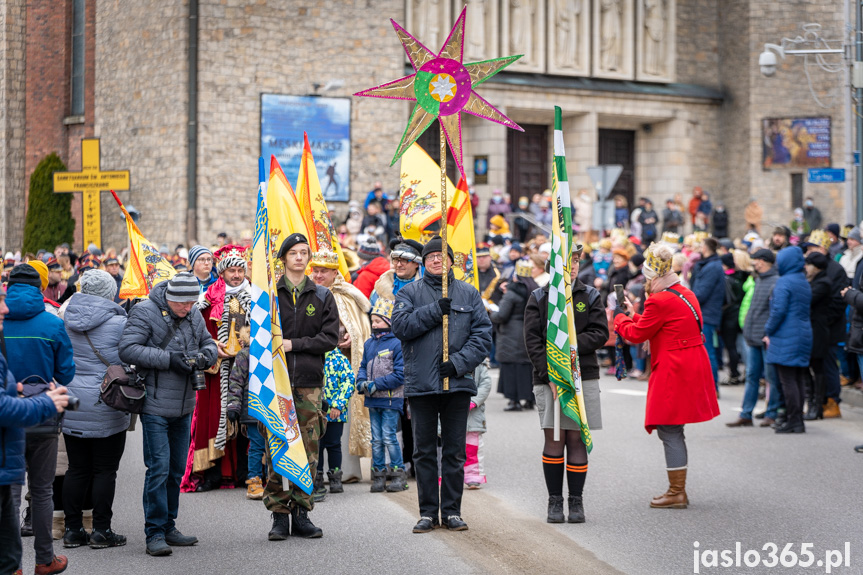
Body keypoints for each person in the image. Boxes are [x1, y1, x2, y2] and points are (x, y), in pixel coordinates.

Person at [391, 235, 492, 533]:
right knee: (423, 451)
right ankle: (426, 512)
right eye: (431, 256)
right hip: (421, 385)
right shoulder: (409, 292)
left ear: (450, 261)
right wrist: (436, 310)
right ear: (423, 263)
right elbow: (402, 327)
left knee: (453, 451)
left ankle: (451, 512)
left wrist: (459, 364)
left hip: (457, 384)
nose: (436, 260)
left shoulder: (469, 294)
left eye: (442, 256)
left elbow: (483, 336)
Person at [118, 272, 218, 556]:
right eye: (183, 304)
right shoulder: (144, 311)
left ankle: (169, 524)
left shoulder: (193, 313)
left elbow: (209, 343)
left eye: (192, 303)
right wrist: (168, 360)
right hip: (154, 404)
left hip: (185, 403)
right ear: (170, 297)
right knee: (159, 468)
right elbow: (127, 349)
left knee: (176, 469)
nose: (188, 309)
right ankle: (154, 532)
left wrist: (204, 357)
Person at [613, 243, 720, 508]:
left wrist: (619, 320)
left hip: (675, 366)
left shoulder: (659, 300)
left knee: (669, 428)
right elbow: (659, 323)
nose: (647, 283)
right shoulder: (684, 292)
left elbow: (637, 334)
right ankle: (676, 490)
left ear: (655, 275)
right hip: (690, 361)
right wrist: (635, 315)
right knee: (673, 427)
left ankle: (677, 492)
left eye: (649, 278)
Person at [524, 243, 608, 523]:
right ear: (552, 264)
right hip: (549, 379)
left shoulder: (590, 294)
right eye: (565, 260)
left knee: (576, 438)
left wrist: (568, 347)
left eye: (575, 260)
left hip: (583, 375)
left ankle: (576, 501)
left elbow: (599, 333)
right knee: (555, 438)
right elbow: (532, 341)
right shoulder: (539, 296)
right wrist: (550, 373)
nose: (571, 265)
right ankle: (554, 501)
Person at [264, 233, 339, 541]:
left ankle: (302, 513)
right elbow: (254, 335)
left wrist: (294, 344)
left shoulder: (322, 295)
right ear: (283, 259)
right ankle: (279, 515)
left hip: (309, 383)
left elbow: (329, 338)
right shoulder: (269, 295)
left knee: (308, 448)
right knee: (278, 447)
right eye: (293, 252)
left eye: (304, 253)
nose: (299, 257)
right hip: (276, 383)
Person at [4, 265, 76, 574]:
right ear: (40, 287)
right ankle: (45, 559)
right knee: (43, 490)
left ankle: (11, 564)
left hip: (7, 417)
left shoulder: (2, 322)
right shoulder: (51, 322)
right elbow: (67, 373)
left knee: (9, 493)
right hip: (44, 411)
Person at [59, 269, 129, 550]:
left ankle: (72, 530)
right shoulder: (119, 322)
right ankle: (101, 530)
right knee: (104, 470)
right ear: (109, 293)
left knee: (76, 469)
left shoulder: (64, 318)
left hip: (73, 400)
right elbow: (128, 358)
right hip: (107, 400)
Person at [183, 245, 250, 493]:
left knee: (246, 418)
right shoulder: (208, 298)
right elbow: (196, 333)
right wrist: (212, 345)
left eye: (240, 270)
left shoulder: (254, 297)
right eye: (231, 270)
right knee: (214, 421)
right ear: (222, 272)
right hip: (217, 369)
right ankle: (212, 474)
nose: (236, 274)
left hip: (247, 369)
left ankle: (245, 472)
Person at [309, 250, 372, 485]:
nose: (317, 274)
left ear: (335, 272)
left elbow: (359, 328)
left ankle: (342, 471)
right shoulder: (308, 293)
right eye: (315, 270)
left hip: (339, 367)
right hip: (314, 364)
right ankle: (314, 471)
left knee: (336, 426)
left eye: (323, 270)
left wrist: (352, 340)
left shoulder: (347, 296)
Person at [727, 249, 782, 427]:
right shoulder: (758, 279)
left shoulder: (775, 281)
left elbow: (774, 311)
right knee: (752, 375)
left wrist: (767, 332)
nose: (754, 263)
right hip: (753, 336)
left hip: (766, 338)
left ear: (764, 261)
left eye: (757, 260)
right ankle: (746, 413)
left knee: (771, 377)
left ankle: (771, 412)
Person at [356, 299, 406, 493]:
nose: (374, 324)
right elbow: (363, 366)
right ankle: (378, 475)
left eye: (378, 321)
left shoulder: (397, 344)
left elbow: (400, 375)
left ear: (389, 321)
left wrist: (376, 384)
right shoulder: (369, 343)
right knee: (375, 438)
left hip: (391, 399)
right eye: (373, 321)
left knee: (389, 436)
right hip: (372, 398)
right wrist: (361, 382)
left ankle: (397, 473)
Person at [763, 247, 812, 434]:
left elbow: (778, 311)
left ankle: (793, 420)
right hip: (803, 333)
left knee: (788, 380)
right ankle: (797, 419)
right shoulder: (802, 280)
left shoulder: (784, 282)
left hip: (786, 335)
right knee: (798, 378)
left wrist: (768, 329)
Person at [490, 260, 536, 411]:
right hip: (528, 331)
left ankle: (514, 401)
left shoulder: (511, 293)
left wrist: (491, 313)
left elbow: (501, 315)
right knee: (526, 367)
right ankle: (529, 400)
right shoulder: (534, 289)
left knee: (510, 367)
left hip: (511, 333)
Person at [226, 326, 265, 500]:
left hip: (271, 405)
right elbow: (236, 381)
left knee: (273, 445)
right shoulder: (244, 354)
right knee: (256, 445)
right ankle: (254, 481)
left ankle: (273, 481)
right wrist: (233, 406)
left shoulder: (273, 353)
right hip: (252, 407)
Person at [314, 346, 355, 500]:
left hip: (335, 412)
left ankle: (335, 477)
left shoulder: (340, 359)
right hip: (316, 410)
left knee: (333, 444)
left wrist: (338, 404)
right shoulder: (314, 357)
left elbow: (349, 381)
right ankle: (316, 478)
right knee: (317, 444)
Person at [803, 252, 836, 421]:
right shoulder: (814, 281)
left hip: (818, 330)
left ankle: (817, 406)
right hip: (812, 328)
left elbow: (808, 299)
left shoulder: (823, 283)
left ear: (816, 267)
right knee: (808, 367)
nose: (806, 268)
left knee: (817, 367)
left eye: (808, 264)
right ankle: (811, 404)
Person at [691, 237, 723, 391]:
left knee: (707, 352)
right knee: (704, 352)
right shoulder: (708, 265)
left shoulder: (712, 267)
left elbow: (701, 293)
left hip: (707, 315)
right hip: (705, 314)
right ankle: (706, 386)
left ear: (705, 248)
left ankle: (712, 387)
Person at [370, 238, 423, 308]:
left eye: (404, 260)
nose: (398, 265)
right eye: (396, 260)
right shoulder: (381, 286)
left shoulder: (425, 288)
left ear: (416, 263)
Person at [464, 360, 492, 489]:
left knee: (473, 448)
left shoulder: (480, 365)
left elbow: (486, 384)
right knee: (448, 448)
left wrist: (474, 401)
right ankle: (447, 475)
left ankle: (473, 475)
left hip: (473, 416)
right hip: (449, 410)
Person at [718, 253, 744, 385]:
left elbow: (725, 300)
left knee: (730, 346)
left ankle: (734, 374)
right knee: (734, 346)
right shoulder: (739, 277)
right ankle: (736, 373)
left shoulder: (727, 279)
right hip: (737, 315)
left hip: (729, 317)